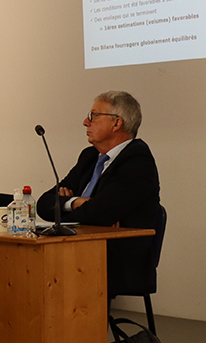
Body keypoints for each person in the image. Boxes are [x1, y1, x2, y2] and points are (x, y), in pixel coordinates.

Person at [36, 91, 161, 296]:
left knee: (42, 274)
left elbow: (98, 213)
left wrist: (68, 206)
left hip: (115, 259)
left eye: (93, 116)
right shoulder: (90, 157)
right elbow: (44, 204)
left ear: (116, 123)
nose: (86, 122)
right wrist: (77, 203)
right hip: (77, 248)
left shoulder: (137, 159)